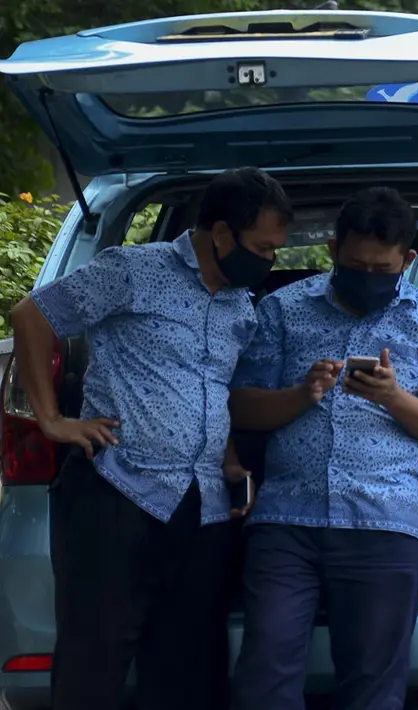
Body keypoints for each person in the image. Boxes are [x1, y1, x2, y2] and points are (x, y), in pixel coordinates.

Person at [9, 167, 292, 710]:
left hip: (203, 505)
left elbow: (217, 390)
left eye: (275, 250)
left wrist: (230, 462)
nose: (269, 261)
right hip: (117, 492)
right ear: (221, 233)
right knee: (95, 662)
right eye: (262, 247)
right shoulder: (134, 270)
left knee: (186, 666)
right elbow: (31, 315)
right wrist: (51, 421)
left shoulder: (239, 306)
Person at [228, 187, 418, 710]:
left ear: (407, 260)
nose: (368, 276)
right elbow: (240, 407)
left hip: (385, 521)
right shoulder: (283, 309)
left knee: (372, 687)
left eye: (382, 268)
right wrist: (301, 395)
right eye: (356, 263)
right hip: (286, 522)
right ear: (334, 250)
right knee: (263, 676)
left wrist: (394, 397)